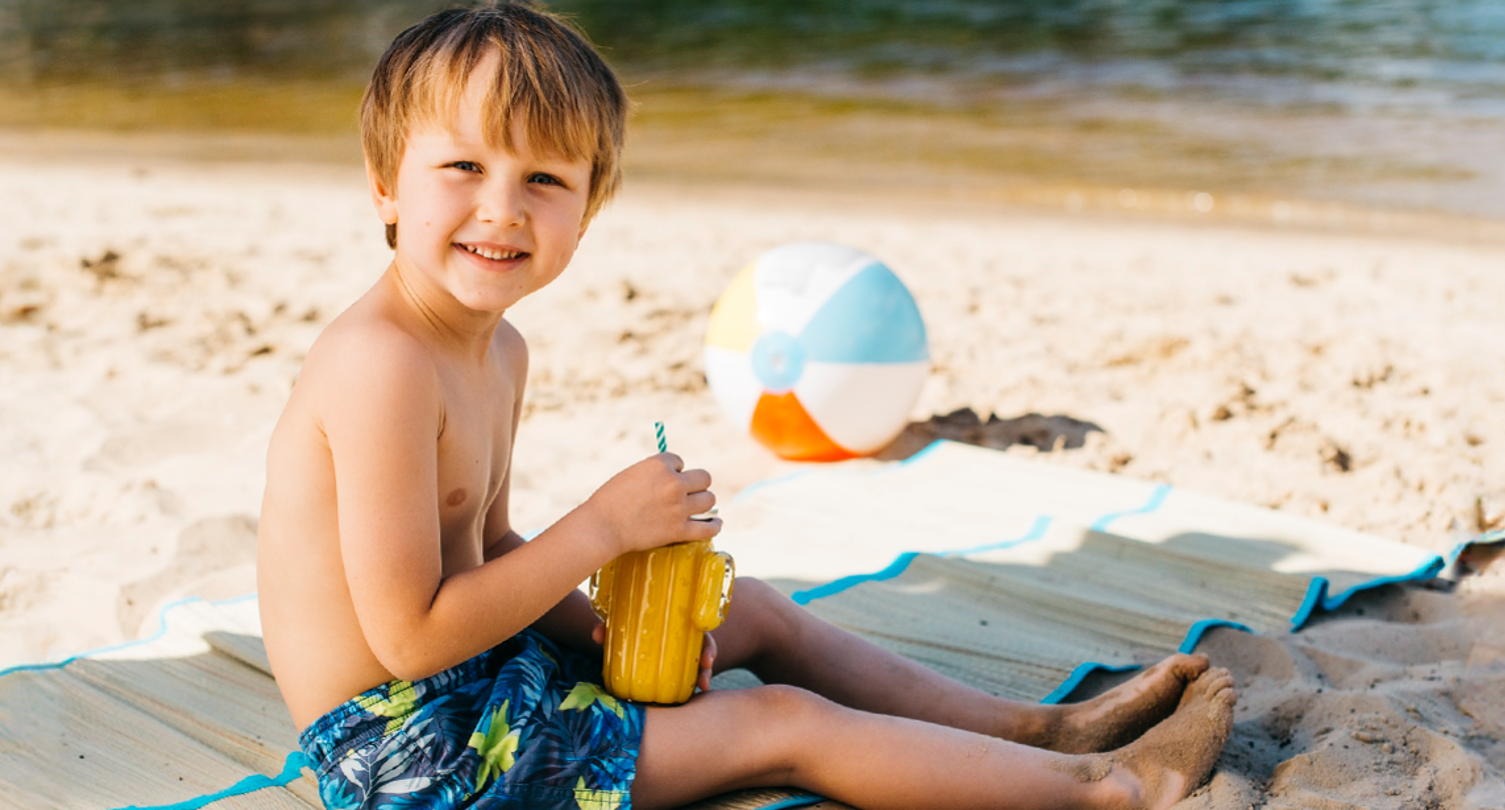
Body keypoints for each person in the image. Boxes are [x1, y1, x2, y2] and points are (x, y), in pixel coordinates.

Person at [255, 5, 1236, 810]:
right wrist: (601, 529)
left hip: (468, 685)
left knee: (750, 610)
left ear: (585, 213)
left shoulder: (495, 346)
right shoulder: (382, 364)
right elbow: (410, 639)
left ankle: (1036, 730)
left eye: (544, 179)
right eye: (462, 168)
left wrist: (601, 636)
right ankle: (1108, 790)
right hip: (404, 754)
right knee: (781, 729)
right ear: (386, 188)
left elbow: (494, 546)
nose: (503, 207)